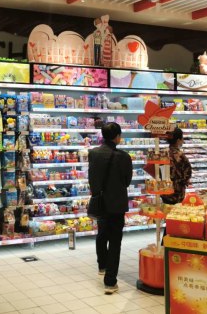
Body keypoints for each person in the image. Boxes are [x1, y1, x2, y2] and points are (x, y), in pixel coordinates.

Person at [88, 122, 133, 294]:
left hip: (100, 201)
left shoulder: (93, 153)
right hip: (117, 204)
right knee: (115, 242)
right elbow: (127, 181)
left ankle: (102, 266)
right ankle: (110, 282)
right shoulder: (124, 157)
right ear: (117, 136)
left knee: (101, 234)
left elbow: (92, 179)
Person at [161, 128, 192, 205]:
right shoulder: (181, 156)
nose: (183, 140)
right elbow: (187, 173)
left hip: (164, 189)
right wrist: (184, 182)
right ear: (178, 141)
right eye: (182, 138)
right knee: (175, 211)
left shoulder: (162, 152)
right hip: (177, 192)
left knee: (165, 208)